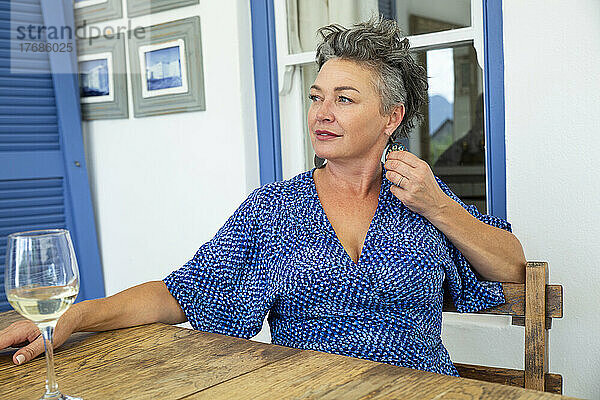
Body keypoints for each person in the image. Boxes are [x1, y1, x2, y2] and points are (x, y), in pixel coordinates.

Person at [0, 18, 526, 376]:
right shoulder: (274, 210)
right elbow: (178, 294)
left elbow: (513, 266)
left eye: (344, 100)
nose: (322, 112)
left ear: (392, 116)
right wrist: (75, 316)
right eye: (318, 97)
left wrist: (437, 204)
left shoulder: (426, 200)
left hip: (419, 390)